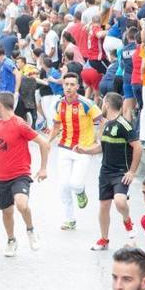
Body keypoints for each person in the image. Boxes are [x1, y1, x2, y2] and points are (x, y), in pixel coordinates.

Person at [0, 91, 49, 257]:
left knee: (21, 204)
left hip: (20, 174)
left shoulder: (19, 124)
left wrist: (43, 168)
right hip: (1, 176)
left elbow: (44, 143)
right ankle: (11, 241)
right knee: (7, 212)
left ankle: (31, 231)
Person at [75, 92, 141, 250]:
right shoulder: (105, 125)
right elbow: (101, 147)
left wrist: (131, 172)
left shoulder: (124, 125)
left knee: (119, 201)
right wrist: (85, 151)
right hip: (105, 172)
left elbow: (138, 148)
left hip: (120, 172)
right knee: (104, 206)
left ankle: (128, 221)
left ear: (106, 104)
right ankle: (104, 239)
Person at [48, 72, 102, 230]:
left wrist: (97, 142)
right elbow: (56, 126)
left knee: (75, 183)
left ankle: (80, 191)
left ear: (78, 87)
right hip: (64, 148)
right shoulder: (59, 104)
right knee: (63, 185)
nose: (69, 87)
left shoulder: (87, 104)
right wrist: (47, 142)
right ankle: (69, 219)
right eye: (66, 84)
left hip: (82, 150)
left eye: (72, 85)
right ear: (63, 86)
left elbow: (102, 121)